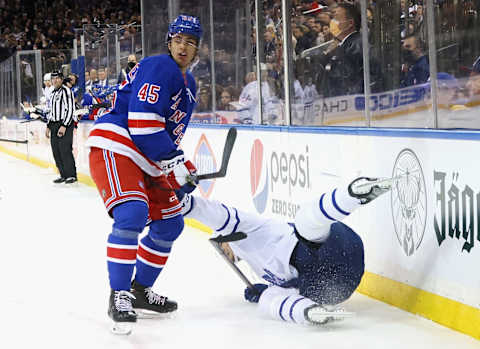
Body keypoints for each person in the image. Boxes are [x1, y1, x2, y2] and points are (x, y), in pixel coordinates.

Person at [85, 14, 203, 331]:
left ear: (197, 50)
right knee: (132, 213)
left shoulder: (189, 85)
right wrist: (174, 163)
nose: (183, 47)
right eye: (178, 40)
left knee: (170, 223)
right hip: (118, 144)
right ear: (169, 42)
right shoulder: (158, 66)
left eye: (190, 42)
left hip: (148, 157)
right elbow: (142, 123)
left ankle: (139, 291)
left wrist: (183, 167)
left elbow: (167, 136)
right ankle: (119, 294)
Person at [179, 176, 392, 325]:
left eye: (221, 247)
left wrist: (182, 204)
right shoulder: (257, 268)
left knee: (305, 222)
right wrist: (269, 289)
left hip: (329, 248)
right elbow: (282, 287)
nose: (223, 253)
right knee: (266, 301)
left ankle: (353, 194)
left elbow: (212, 212)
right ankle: (308, 312)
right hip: (330, 286)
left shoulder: (243, 227)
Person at [46, 70, 77, 184]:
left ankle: (71, 175)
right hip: (54, 124)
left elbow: (70, 109)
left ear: (61, 79)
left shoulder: (66, 91)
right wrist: (48, 126)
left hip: (64, 124)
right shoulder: (53, 93)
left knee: (65, 149)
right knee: (56, 151)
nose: (55, 80)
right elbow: (51, 111)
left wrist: (64, 125)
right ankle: (63, 174)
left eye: (57, 78)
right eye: (53, 78)